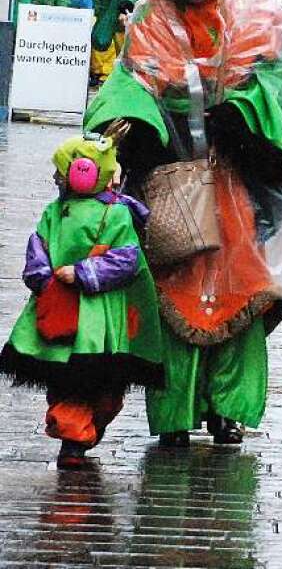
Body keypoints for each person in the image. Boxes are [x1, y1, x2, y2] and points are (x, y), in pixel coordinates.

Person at [82, 0, 282, 448]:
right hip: (175, 183)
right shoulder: (151, 22)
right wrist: (135, 124)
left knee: (239, 288)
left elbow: (276, 80)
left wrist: (243, 113)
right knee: (175, 291)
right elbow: (127, 85)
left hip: (233, 181)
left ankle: (229, 408)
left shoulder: (255, 9)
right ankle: (175, 413)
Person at [0, 129, 163, 469]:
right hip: (61, 307)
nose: (58, 178)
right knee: (66, 379)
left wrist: (84, 272)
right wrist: (44, 280)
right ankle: (74, 436)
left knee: (91, 379)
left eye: (62, 171)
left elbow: (126, 260)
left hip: (97, 316)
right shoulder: (55, 212)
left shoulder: (117, 214)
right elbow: (38, 249)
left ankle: (79, 432)